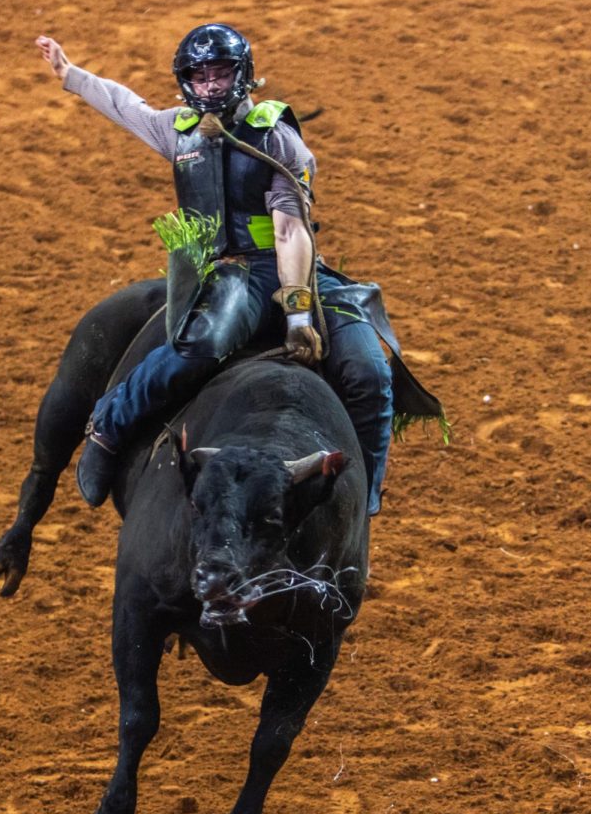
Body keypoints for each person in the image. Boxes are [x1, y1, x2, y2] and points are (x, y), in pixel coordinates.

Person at [35, 25, 393, 515]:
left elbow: (290, 231)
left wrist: (298, 313)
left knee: (369, 374)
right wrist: (71, 74)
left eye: (220, 74)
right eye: (198, 77)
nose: (209, 87)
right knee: (198, 346)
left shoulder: (277, 139)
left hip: (292, 270)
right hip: (228, 273)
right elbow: (127, 107)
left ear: (242, 75)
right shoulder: (178, 131)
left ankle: (364, 494)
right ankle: (109, 426)